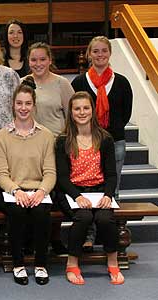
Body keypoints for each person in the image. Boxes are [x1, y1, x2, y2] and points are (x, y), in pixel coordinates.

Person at [55, 91, 124, 285]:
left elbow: (111, 174)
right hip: (72, 192)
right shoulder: (63, 141)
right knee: (83, 216)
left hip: (99, 190)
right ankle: (72, 263)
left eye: (86, 108)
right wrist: (77, 197)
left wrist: (108, 195)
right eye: (77, 108)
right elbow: (61, 177)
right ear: (71, 112)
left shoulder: (105, 139)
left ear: (93, 110)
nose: (82, 112)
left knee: (105, 218)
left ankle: (113, 261)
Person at [71, 36, 132, 251]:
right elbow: (74, 111)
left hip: (114, 141)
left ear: (109, 53)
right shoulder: (79, 82)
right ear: (89, 54)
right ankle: (89, 235)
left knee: (111, 191)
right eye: (95, 51)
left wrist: (106, 134)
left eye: (103, 51)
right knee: (88, 188)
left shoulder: (122, 82)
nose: (99, 55)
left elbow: (125, 114)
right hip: (85, 143)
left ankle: (109, 237)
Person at [0, 77, 56, 286]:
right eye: (19, 103)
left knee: (40, 212)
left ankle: (40, 265)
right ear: (13, 105)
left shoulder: (46, 135)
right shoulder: (2, 136)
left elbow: (50, 172)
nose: (23, 108)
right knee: (17, 212)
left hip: (39, 190)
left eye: (28, 103)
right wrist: (16, 191)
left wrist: (41, 191)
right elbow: (1, 174)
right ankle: (18, 264)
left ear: (34, 106)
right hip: (11, 191)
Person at [26, 41, 74, 254]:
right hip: (29, 147)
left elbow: (73, 115)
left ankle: (54, 238)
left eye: (42, 59)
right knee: (33, 193)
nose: (38, 64)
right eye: (34, 60)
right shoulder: (23, 82)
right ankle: (32, 239)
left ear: (50, 60)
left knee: (54, 194)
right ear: (28, 61)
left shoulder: (61, 84)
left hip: (56, 147)